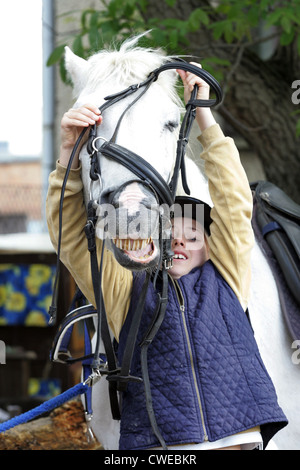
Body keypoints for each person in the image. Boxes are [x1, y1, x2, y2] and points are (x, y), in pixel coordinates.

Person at [46, 63, 287, 450]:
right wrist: (67, 152)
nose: (177, 242)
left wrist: (203, 112)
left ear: (211, 243)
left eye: (190, 234)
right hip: (161, 448)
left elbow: (234, 200)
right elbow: (69, 235)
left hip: (237, 441)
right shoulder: (124, 295)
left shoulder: (229, 277)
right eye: (166, 233)